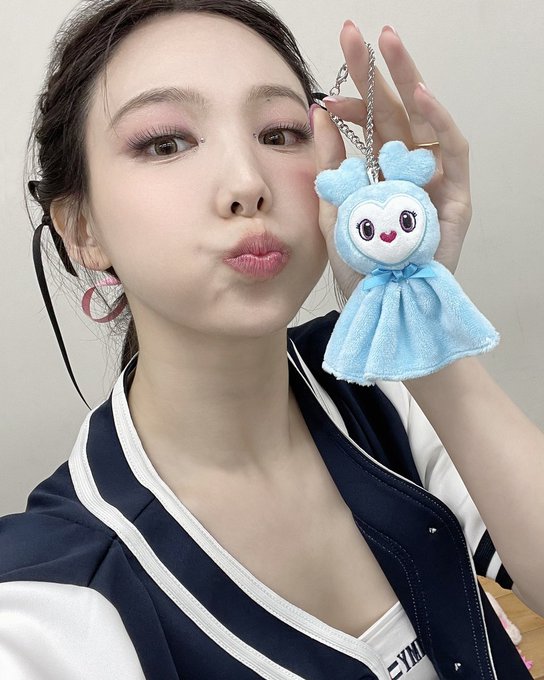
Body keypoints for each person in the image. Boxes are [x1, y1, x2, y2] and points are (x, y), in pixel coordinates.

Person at [0, 0, 542, 678]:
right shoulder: (55, 601)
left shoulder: (381, 393)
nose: (247, 184)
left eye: (280, 133)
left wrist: (416, 317)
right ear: (83, 228)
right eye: (165, 143)